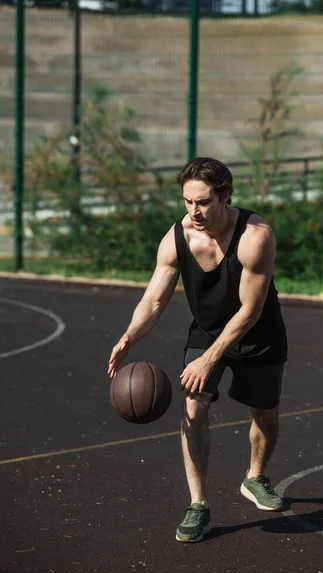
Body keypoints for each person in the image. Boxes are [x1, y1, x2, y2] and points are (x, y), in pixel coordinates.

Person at [108, 157, 288, 543]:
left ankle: (255, 476)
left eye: (203, 202)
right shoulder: (178, 236)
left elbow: (250, 310)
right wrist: (129, 336)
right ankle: (198, 506)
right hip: (206, 331)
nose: (194, 211)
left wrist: (211, 359)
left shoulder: (256, 236)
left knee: (265, 413)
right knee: (193, 405)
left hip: (258, 331)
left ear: (225, 195)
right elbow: (154, 302)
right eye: (188, 202)